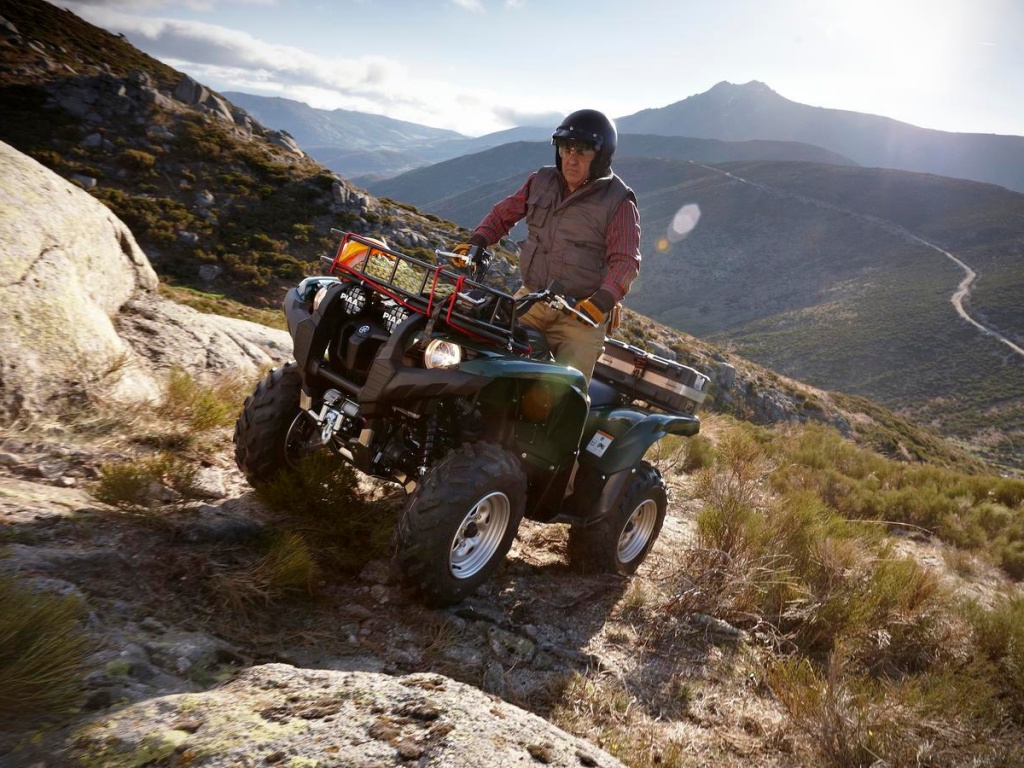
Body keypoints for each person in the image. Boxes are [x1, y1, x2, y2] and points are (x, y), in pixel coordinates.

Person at [453, 108, 641, 385]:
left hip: (580, 317)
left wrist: (602, 301)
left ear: (601, 157)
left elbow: (626, 260)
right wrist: (477, 242)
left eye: (582, 152)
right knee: (489, 366)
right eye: (566, 149)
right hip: (531, 300)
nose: (571, 160)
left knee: (567, 392)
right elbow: (504, 213)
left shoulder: (619, 201)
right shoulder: (541, 181)